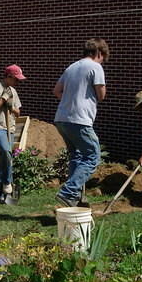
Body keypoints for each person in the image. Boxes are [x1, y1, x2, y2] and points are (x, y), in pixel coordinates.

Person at [53, 38, 109, 207]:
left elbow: (56, 91)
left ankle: (75, 198)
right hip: (80, 120)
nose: (103, 61)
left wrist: (70, 101)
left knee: (77, 156)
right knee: (92, 155)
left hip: (62, 118)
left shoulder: (71, 67)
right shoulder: (95, 67)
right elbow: (101, 95)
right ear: (99, 53)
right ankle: (68, 192)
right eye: (103, 57)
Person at [0, 64, 25, 204]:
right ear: (9, 77)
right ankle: (8, 184)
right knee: (6, 152)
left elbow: (18, 112)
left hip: (11, 128)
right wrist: (2, 99)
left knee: (3, 160)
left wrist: (11, 106)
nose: (18, 82)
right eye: (16, 79)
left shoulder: (13, 91)